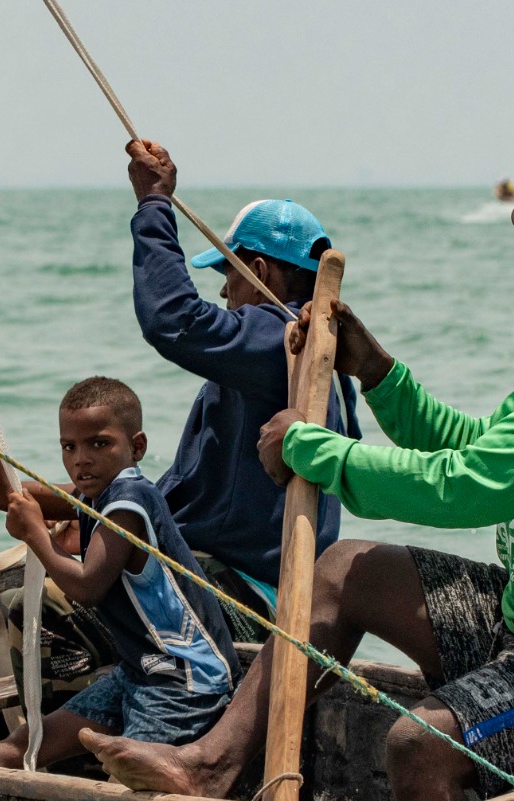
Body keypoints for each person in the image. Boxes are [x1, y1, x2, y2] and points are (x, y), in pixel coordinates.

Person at [84, 171, 514, 801]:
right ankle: (211, 766)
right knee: (344, 571)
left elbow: (468, 489)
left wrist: (316, 450)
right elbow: (477, 446)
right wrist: (378, 372)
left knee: (420, 744)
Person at [0, 366, 241, 769]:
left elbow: (87, 587)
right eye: (69, 447)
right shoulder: (93, 495)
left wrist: (37, 535)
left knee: (130, 783)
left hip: (185, 683)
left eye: (99, 444)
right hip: (139, 674)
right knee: (25, 745)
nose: (81, 460)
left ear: (136, 447)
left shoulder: (129, 501)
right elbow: (0, 494)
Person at [127, 139, 361, 635]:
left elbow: (172, 320)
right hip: (276, 591)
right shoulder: (332, 361)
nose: (222, 291)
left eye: (227, 275)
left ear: (257, 272)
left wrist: (153, 206)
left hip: (241, 592)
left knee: (40, 600)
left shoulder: (276, 336)